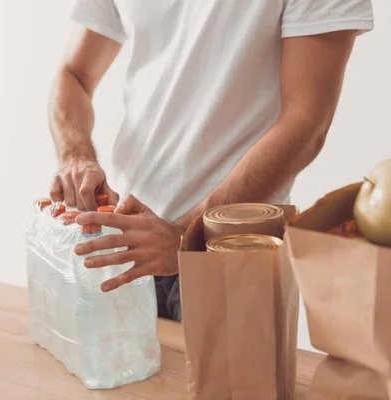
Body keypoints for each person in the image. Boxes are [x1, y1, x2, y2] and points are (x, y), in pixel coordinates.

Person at [48, 0, 374, 321]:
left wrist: (187, 233)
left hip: (232, 246)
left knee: (239, 377)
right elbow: (73, 74)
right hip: (125, 240)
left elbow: (306, 121)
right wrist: (76, 157)